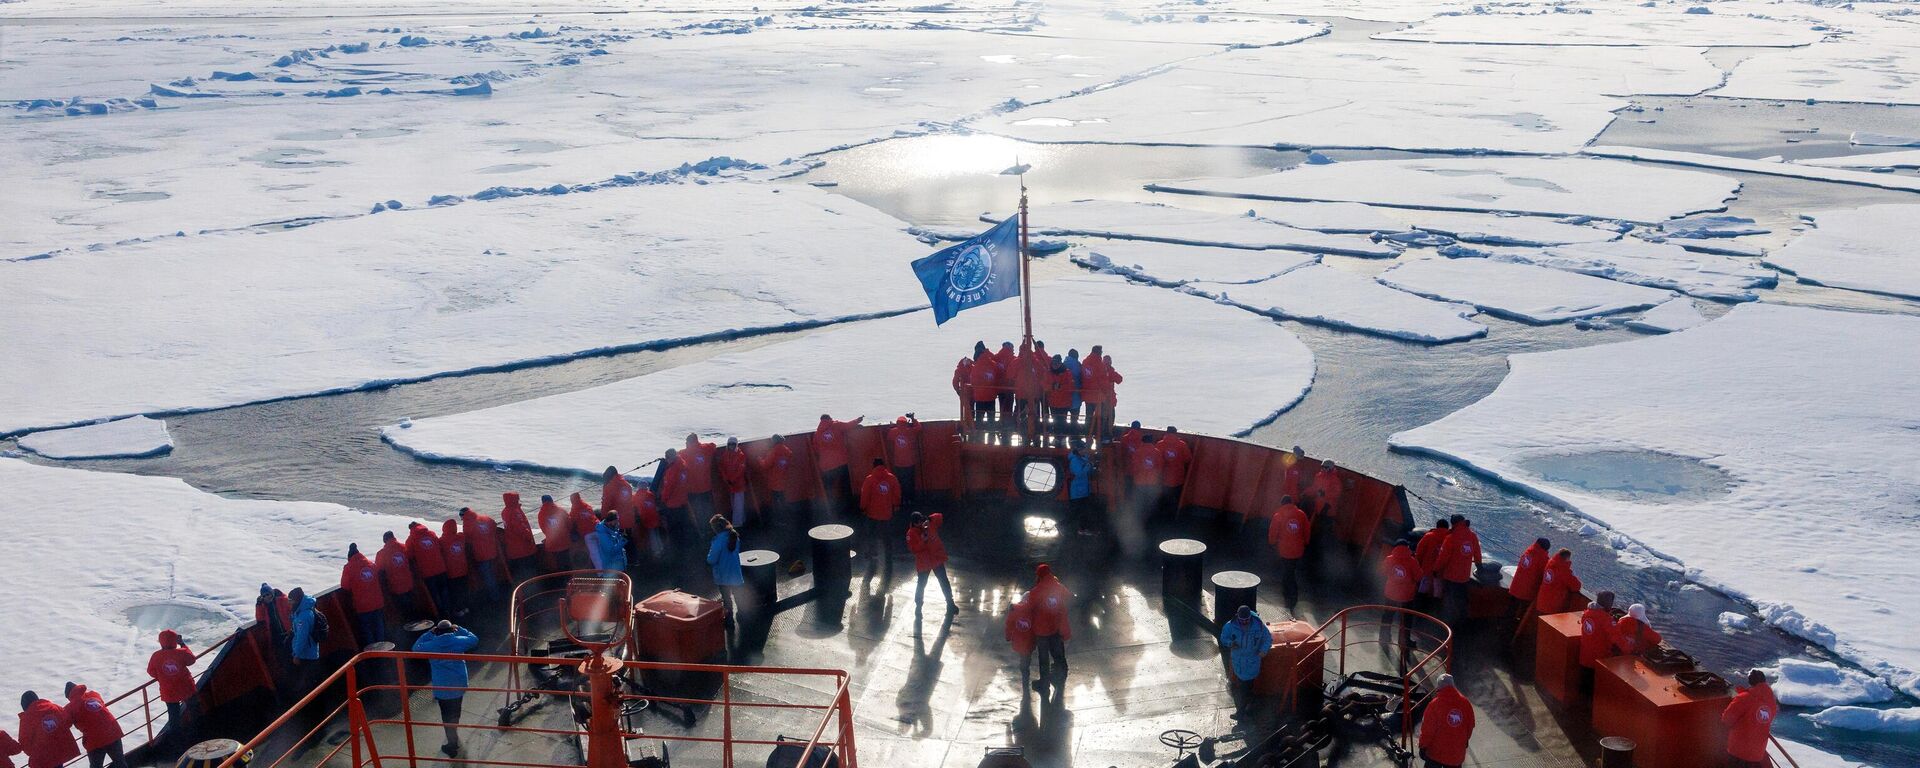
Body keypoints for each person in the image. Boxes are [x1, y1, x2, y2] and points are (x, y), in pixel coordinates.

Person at [411, 621, 479, 759]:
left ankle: (452, 744)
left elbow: (415, 648)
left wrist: (429, 633)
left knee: (446, 714)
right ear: (451, 630)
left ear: (437, 631)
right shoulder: (458, 641)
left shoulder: (432, 645)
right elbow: (474, 639)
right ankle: (453, 733)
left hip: (442, 686)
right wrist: (459, 629)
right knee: (456, 711)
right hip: (458, 684)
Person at [1218, 606, 1272, 721]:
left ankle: (1242, 712)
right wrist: (1230, 643)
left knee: (1244, 689)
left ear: (1250, 618)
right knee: (1245, 688)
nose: (1244, 623)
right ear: (1238, 617)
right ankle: (1249, 708)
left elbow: (1268, 639)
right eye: (1242, 621)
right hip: (1239, 663)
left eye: (1246, 620)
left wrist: (1264, 650)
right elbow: (1223, 638)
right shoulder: (1230, 626)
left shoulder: (1259, 626)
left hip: (1252, 663)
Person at [1431, 515, 1482, 625]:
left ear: (1453, 524)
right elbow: (1477, 553)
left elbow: (1443, 558)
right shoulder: (1472, 535)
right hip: (1464, 577)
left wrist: (1435, 569)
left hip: (1451, 576)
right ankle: (1461, 623)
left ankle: (1447, 624)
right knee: (1461, 600)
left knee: (1449, 600)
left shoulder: (1451, 538)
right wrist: (1479, 566)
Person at [1722, 669, 1779, 768]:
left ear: (1750, 682)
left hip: (1738, 750)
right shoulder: (1772, 702)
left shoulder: (1744, 698)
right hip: (1757, 753)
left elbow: (1727, 719)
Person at [1029, 564, 1072, 690]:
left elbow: (1029, 608)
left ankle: (1044, 683)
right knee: (1058, 654)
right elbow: (1069, 597)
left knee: (1044, 658)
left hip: (1041, 630)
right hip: (1056, 628)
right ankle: (1060, 677)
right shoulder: (1059, 587)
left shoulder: (1035, 591)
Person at [1417, 675, 1474, 768]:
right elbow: (1470, 725)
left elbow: (1427, 730)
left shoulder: (1434, 705)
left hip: (1436, 754)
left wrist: (1423, 746)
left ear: (1439, 687)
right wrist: (1465, 740)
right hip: (1456, 755)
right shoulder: (1465, 703)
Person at [62, 683, 123, 768]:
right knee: (119, 762)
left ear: (69, 696)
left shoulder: (70, 708)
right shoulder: (94, 694)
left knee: (96, 766)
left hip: (95, 739)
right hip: (113, 731)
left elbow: (65, 724)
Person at [905, 512, 956, 613]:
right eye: (918, 523)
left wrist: (929, 519)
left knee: (944, 581)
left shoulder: (928, 524)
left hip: (935, 559)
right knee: (922, 584)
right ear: (914, 523)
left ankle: (950, 603)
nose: (921, 524)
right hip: (925, 562)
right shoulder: (911, 533)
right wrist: (923, 541)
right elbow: (914, 549)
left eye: (921, 521)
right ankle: (918, 604)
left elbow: (939, 517)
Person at [813, 414, 863, 511]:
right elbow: (848, 425)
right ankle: (849, 508)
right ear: (829, 419)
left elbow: (816, 449)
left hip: (826, 466)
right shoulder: (836, 425)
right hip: (841, 463)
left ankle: (830, 510)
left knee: (829, 489)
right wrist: (858, 420)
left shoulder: (817, 433)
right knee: (845, 487)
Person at [1268, 496, 1310, 611]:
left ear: (1282, 504)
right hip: (1297, 550)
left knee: (1288, 572)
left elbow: (1273, 532)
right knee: (1290, 570)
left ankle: (1289, 595)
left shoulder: (1278, 515)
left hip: (1284, 550)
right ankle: (1289, 594)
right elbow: (1306, 530)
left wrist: (1272, 543)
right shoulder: (1301, 514)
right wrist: (1306, 542)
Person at [147, 630, 196, 727]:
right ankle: (198, 732)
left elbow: (150, 671)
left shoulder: (156, 656)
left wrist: (162, 676)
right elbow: (191, 660)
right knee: (194, 710)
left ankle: (176, 738)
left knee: (174, 717)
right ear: (175, 641)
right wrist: (182, 644)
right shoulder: (181, 652)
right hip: (186, 687)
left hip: (169, 691)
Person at [858, 458, 901, 568]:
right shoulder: (892, 478)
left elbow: (865, 496)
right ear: (883, 466)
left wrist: (863, 508)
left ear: (874, 466)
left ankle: (872, 553)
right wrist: (896, 505)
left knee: (871, 534)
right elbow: (897, 494)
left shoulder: (869, 479)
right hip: (887, 513)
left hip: (872, 513)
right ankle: (888, 553)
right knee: (886, 535)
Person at [340, 543, 387, 643]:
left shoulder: (348, 568)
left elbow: (345, 586)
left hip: (363, 606)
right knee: (379, 627)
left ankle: (373, 655)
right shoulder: (370, 564)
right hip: (377, 602)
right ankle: (383, 652)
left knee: (368, 630)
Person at [15, 693, 78, 768]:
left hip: (42, 759)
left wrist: (35, 752)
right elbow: (67, 720)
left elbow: (25, 742)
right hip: (59, 752)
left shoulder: (26, 719)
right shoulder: (53, 707)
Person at [408, 521, 453, 616]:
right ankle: (449, 609)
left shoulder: (411, 539)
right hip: (441, 568)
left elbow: (410, 556)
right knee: (444, 591)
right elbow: (439, 546)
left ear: (411, 529)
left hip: (427, 572)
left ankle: (441, 613)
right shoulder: (431, 534)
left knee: (435, 593)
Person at [707, 516, 744, 628]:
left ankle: (729, 621)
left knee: (727, 599)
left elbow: (711, 559)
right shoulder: (734, 536)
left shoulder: (717, 541)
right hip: (735, 573)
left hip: (723, 576)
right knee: (738, 595)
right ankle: (742, 615)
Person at [459, 506, 503, 602]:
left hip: (482, 555)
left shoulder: (467, 523)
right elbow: (493, 524)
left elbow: (467, 537)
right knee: (493, 574)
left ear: (463, 516)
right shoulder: (484, 518)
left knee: (488, 577)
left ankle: (495, 598)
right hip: (492, 552)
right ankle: (498, 594)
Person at [287, 589, 324, 694]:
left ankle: (313, 705)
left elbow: (302, 638)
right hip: (310, 651)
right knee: (311, 680)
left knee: (309, 683)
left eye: (291, 600)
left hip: (307, 654)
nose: (289, 603)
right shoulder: (303, 609)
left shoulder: (303, 616)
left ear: (297, 601)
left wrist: (296, 655)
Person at [375, 532, 419, 619]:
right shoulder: (403, 547)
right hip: (409, 583)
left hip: (396, 586)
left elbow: (378, 569)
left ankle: (409, 626)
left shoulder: (382, 554)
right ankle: (416, 622)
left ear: (385, 540)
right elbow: (411, 558)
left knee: (403, 609)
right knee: (412, 605)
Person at [499, 492, 539, 580]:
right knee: (529, 573)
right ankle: (530, 591)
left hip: (513, 550)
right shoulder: (514, 512)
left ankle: (522, 591)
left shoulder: (505, 512)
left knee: (519, 574)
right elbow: (521, 529)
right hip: (524, 550)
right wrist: (530, 540)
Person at [1508, 537, 1551, 618]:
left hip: (1516, 586)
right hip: (1527, 591)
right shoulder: (1543, 558)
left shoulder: (1529, 551)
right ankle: (1513, 628)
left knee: (1511, 608)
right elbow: (1543, 574)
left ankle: (1502, 626)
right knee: (1521, 613)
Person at [760, 435, 796, 526]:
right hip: (784, 480)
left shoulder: (773, 452)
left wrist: (759, 459)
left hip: (775, 481)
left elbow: (765, 465)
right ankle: (787, 518)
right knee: (783, 500)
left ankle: (779, 520)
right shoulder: (787, 451)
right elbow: (789, 464)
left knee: (776, 502)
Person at [682, 434, 719, 521]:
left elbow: (676, 458)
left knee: (697, 513)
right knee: (709, 510)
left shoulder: (684, 453)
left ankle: (703, 531)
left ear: (689, 442)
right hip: (706, 487)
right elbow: (713, 445)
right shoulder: (706, 448)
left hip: (693, 489)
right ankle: (712, 529)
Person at [1578, 591, 1619, 669]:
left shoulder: (1587, 613)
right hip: (1598, 660)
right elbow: (1617, 638)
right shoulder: (1606, 619)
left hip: (1584, 656)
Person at [440, 519, 472, 617]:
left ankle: (458, 611)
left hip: (452, 572)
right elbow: (463, 535)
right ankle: (466, 608)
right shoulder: (461, 537)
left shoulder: (442, 540)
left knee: (455, 592)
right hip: (463, 569)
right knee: (464, 590)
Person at [1005, 595, 1037, 692]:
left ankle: (1024, 669)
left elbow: (1009, 624)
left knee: (1022, 655)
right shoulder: (1035, 611)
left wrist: (1008, 637)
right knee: (1027, 655)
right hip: (1030, 640)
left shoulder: (1015, 610)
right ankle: (1026, 666)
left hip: (1018, 640)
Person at [1535, 549, 1582, 615]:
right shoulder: (1564, 570)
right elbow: (1576, 586)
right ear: (1567, 558)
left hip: (1541, 600)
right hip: (1552, 605)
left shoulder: (1550, 563)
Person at [1414, 518, 1450, 603]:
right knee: (1438, 591)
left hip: (1427, 569)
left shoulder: (1428, 536)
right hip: (1442, 572)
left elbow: (1419, 552)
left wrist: (1418, 564)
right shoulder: (1450, 538)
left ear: (1437, 526)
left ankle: (1419, 609)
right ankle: (1435, 611)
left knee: (1423, 589)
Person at [535, 495, 574, 573]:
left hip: (552, 543)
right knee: (567, 561)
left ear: (542, 502)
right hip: (564, 541)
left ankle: (561, 579)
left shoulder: (541, 513)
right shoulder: (561, 510)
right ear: (552, 500)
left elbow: (543, 528)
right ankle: (570, 578)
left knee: (558, 562)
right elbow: (569, 524)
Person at [886, 415, 920, 503]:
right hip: (910, 463)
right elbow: (919, 428)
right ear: (906, 423)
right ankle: (911, 499)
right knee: (910, 482)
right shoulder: (910, 431)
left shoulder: (893, 432)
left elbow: (889, 437)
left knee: (900, 482)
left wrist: (892, 427)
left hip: (898, 463)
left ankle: (903, 499)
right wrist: (913, 419)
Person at [1159, 426, 1192, 517]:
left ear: (1166, 432)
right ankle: (1172, 517)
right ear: (1175, 433)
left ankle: (1161, 516)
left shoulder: (1160, 444)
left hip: (1163, 477)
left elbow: (1156, 460)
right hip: (1178, 478)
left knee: (1163, 497)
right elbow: (1188, 459)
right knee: (1174, 498)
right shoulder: (1182, 445)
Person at [968, 345, 1001, 432]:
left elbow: (973, 382)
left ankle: (979, 437)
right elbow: (998, 377)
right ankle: (992, 437)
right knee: (991, 420)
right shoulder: (993, 364)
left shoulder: (976, 367)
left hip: (980, 398)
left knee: (979, 420)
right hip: (991, 397)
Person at [1382, 540, 1424, 608]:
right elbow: (1418, 577)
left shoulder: (1389, 559)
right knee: (1406, 615)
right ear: (1407, 547)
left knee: (1388, 613)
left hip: (1391, 592)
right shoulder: (1412, 561)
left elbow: (1383, 572)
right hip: (1407, 594)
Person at [718, 437, 750, 526]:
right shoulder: (725, 455)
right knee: (734, 504)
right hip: (730, 484)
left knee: (738, 505)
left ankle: (737, 524)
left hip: (739, 484)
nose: (731, 446)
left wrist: (731, 479)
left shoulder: (741, 455)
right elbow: (721, 467)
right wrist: (726, 479)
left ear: (736, 445)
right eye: (730, 444)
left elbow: (741, 470)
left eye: (733, 444)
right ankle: (742, 519)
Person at [1067, 443, 1097, 534]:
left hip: (1083, 490)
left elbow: (1088, 471)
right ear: (1079, 451)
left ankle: (1083, 529)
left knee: (1082, 512)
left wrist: (1092, 467)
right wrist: (1088, 466)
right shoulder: (1074, 460)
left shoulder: (1083, 459)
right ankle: (1063, 525)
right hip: (1078, 491)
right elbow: (1079, 473)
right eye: (1083, 449)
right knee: (1078, 512)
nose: (1085, 451)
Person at [254, 584, 292, 653]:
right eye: (264, 596)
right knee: (284, 658)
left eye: (268, 594)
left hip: (289, 633)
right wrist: (258, 606)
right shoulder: (264, 606)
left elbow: (294, 611)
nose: (267, 597)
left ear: (272, 593)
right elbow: (260, 619)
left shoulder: (283, 600)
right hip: (277, 637)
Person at [1045, 360, 1075, 435]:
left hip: (1064, 402)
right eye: (1053, 364)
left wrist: (1060, 386)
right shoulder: (1049, 373)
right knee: (1055, 421)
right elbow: (1043, 384)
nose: (1055, 365)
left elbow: (1071, 386)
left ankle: (1061, 437)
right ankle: (1057, 436)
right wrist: (1052, 386)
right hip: (1053, 402)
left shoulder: (1067, 373)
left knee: (1062, 421)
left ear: (1060, 364)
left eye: (1056, 364)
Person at [993, 341, 1017, 420]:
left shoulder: (996, 358)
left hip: (1000, 387)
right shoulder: (1013, 359)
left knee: (1002, 406)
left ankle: (1002, 422)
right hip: (1010, 387)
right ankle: (1008, 423)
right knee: (1009, 406)